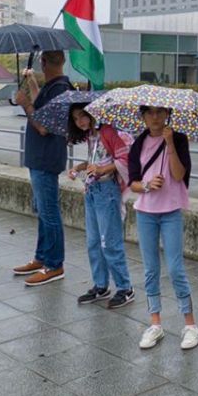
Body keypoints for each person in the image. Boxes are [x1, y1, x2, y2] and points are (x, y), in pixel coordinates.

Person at [127, 103, 197, 346]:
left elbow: (179, 175)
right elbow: (132, 183)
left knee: (176, 268)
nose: (155, 117)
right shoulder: (138, 143)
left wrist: (169, 146)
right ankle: (155, 322)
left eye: (159, 112)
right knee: (150, 269)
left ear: (168, 114)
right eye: (149, 113)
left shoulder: (178, 139)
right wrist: (147, 185)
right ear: (143, 117)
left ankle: (190, 325)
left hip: (170, 211)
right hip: (146, 212)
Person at [14, 51, 75, 284]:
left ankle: (54, 264)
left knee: (49, 213)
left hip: (45, 158)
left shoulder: (60, 88)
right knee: (43, 211)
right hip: (41, 158)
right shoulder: (55, 87)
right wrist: (31, 84)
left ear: (43, 62)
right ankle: (41, 257)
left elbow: (43, 127)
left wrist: (25, 103)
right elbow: (43, 106)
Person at [69, 102, 132, 308]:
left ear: (91, 113)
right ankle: (101, 284)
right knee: (93, 241)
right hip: (93, 191)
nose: (80, 122)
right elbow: (94, 161)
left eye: (82, 116)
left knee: (110, 242)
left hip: (107, 192)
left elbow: (123, 159)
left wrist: (103, 170)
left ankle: (125, 288)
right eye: (76, 119)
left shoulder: (107, 131)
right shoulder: (92, 136)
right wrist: (79, 167)